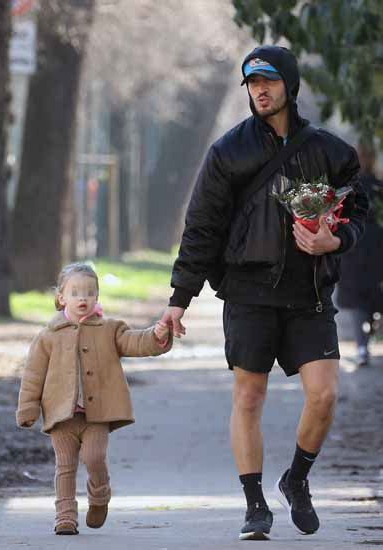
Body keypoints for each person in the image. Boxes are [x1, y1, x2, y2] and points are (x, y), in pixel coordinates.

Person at [161, 45, 368, 540]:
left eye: (269, 81)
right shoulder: (228, 152)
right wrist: (179, 299)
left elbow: (359, 211)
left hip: (310, 293)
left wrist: (334, 239)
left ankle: (295, 480)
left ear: (288, 87)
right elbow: (202, 228)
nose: (260, 90)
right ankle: (255, 505)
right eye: (252, 83)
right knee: (249, 397)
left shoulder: (331, 151)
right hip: (249, 292)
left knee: (324, 396)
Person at [16, 262, 171, 535]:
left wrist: (156, 336)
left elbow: (134, 342)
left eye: (89, 292)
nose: (83, 298)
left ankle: (99, 495)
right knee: (64, 466)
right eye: (75, 292)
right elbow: (33, 374)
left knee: (94, 457)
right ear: (61, 297)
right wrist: (28, 407)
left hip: (95, 415)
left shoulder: (109, 329)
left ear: (97, 297)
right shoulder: (48, 336)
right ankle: (65, 516)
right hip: (60, 416)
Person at [336, 141, 383, 367]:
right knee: (373, 297)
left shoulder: (348, 190)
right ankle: (370, 338)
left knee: (357, 304)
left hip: (354, 249)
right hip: (376, 250)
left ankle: (363, 347)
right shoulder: (378, 187)